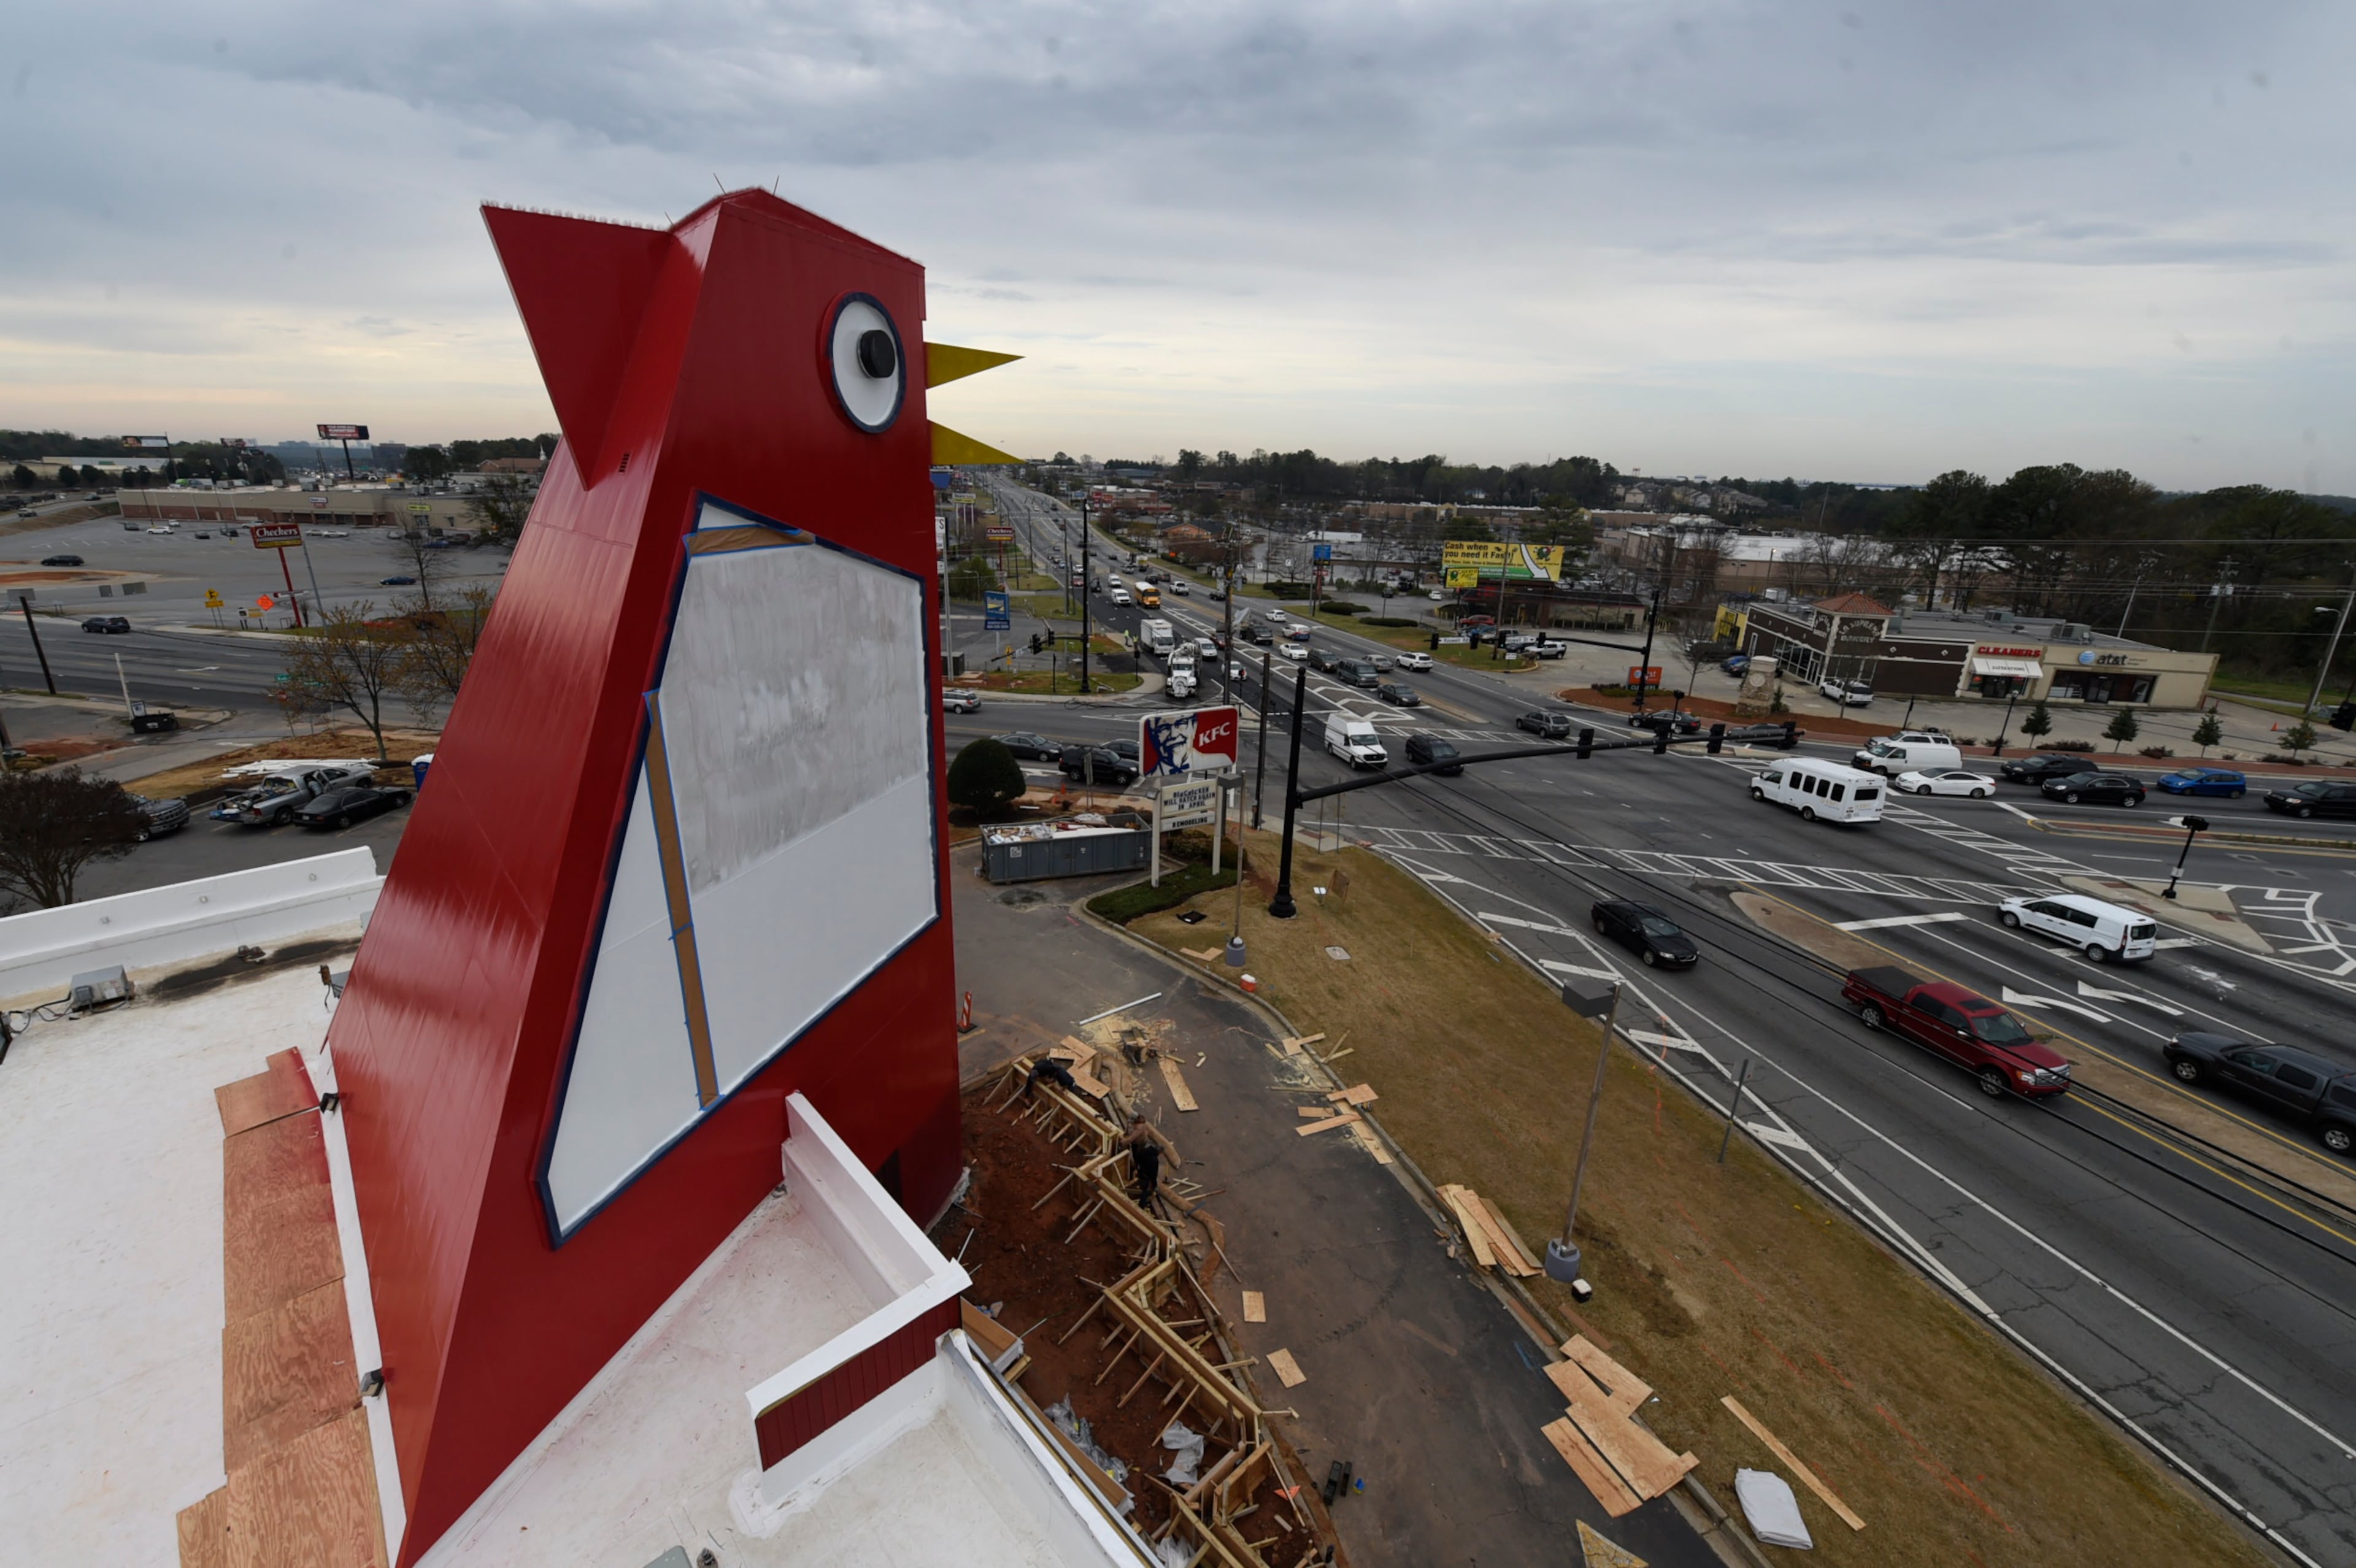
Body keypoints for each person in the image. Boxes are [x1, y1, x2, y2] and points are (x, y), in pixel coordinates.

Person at [1126, 1117, 1163, 1207]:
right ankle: (1141, 1207)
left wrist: (1136, 1166)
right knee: (1146, 1191)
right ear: (1160, 1152)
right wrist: (1153, 1184)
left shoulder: (1147, 1150)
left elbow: (1138, 1157)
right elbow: (1153, 1175)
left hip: (1140, 1171)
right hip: (1145, 1176)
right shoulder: (1154, 1161)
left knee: (1141, 1184)